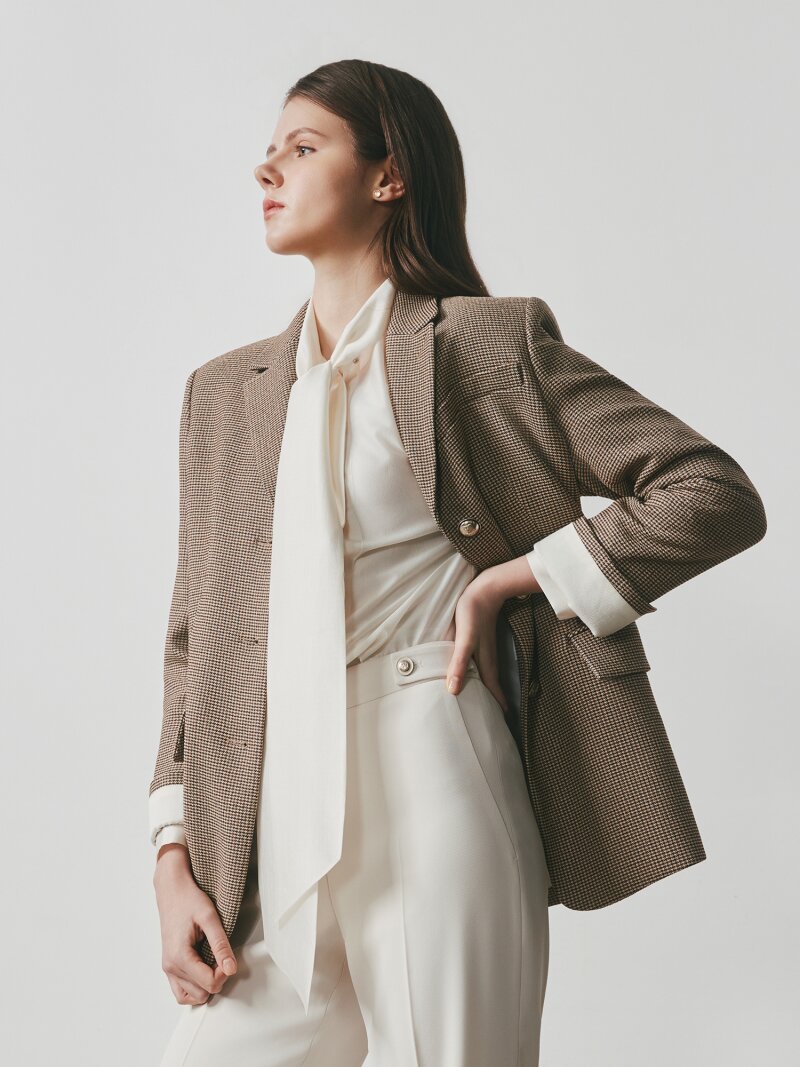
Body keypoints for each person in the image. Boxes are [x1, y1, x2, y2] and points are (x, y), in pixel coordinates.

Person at [148, 60, 767, 1066]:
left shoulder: (481, 345)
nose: (267, 168)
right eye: (268, 150)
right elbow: (192, 641)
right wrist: (172, 856)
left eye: (302, 147)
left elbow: (709, 491)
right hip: (274, 800)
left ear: (388, 175)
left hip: (429, 753)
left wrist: (516, 578)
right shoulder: (225, 394)